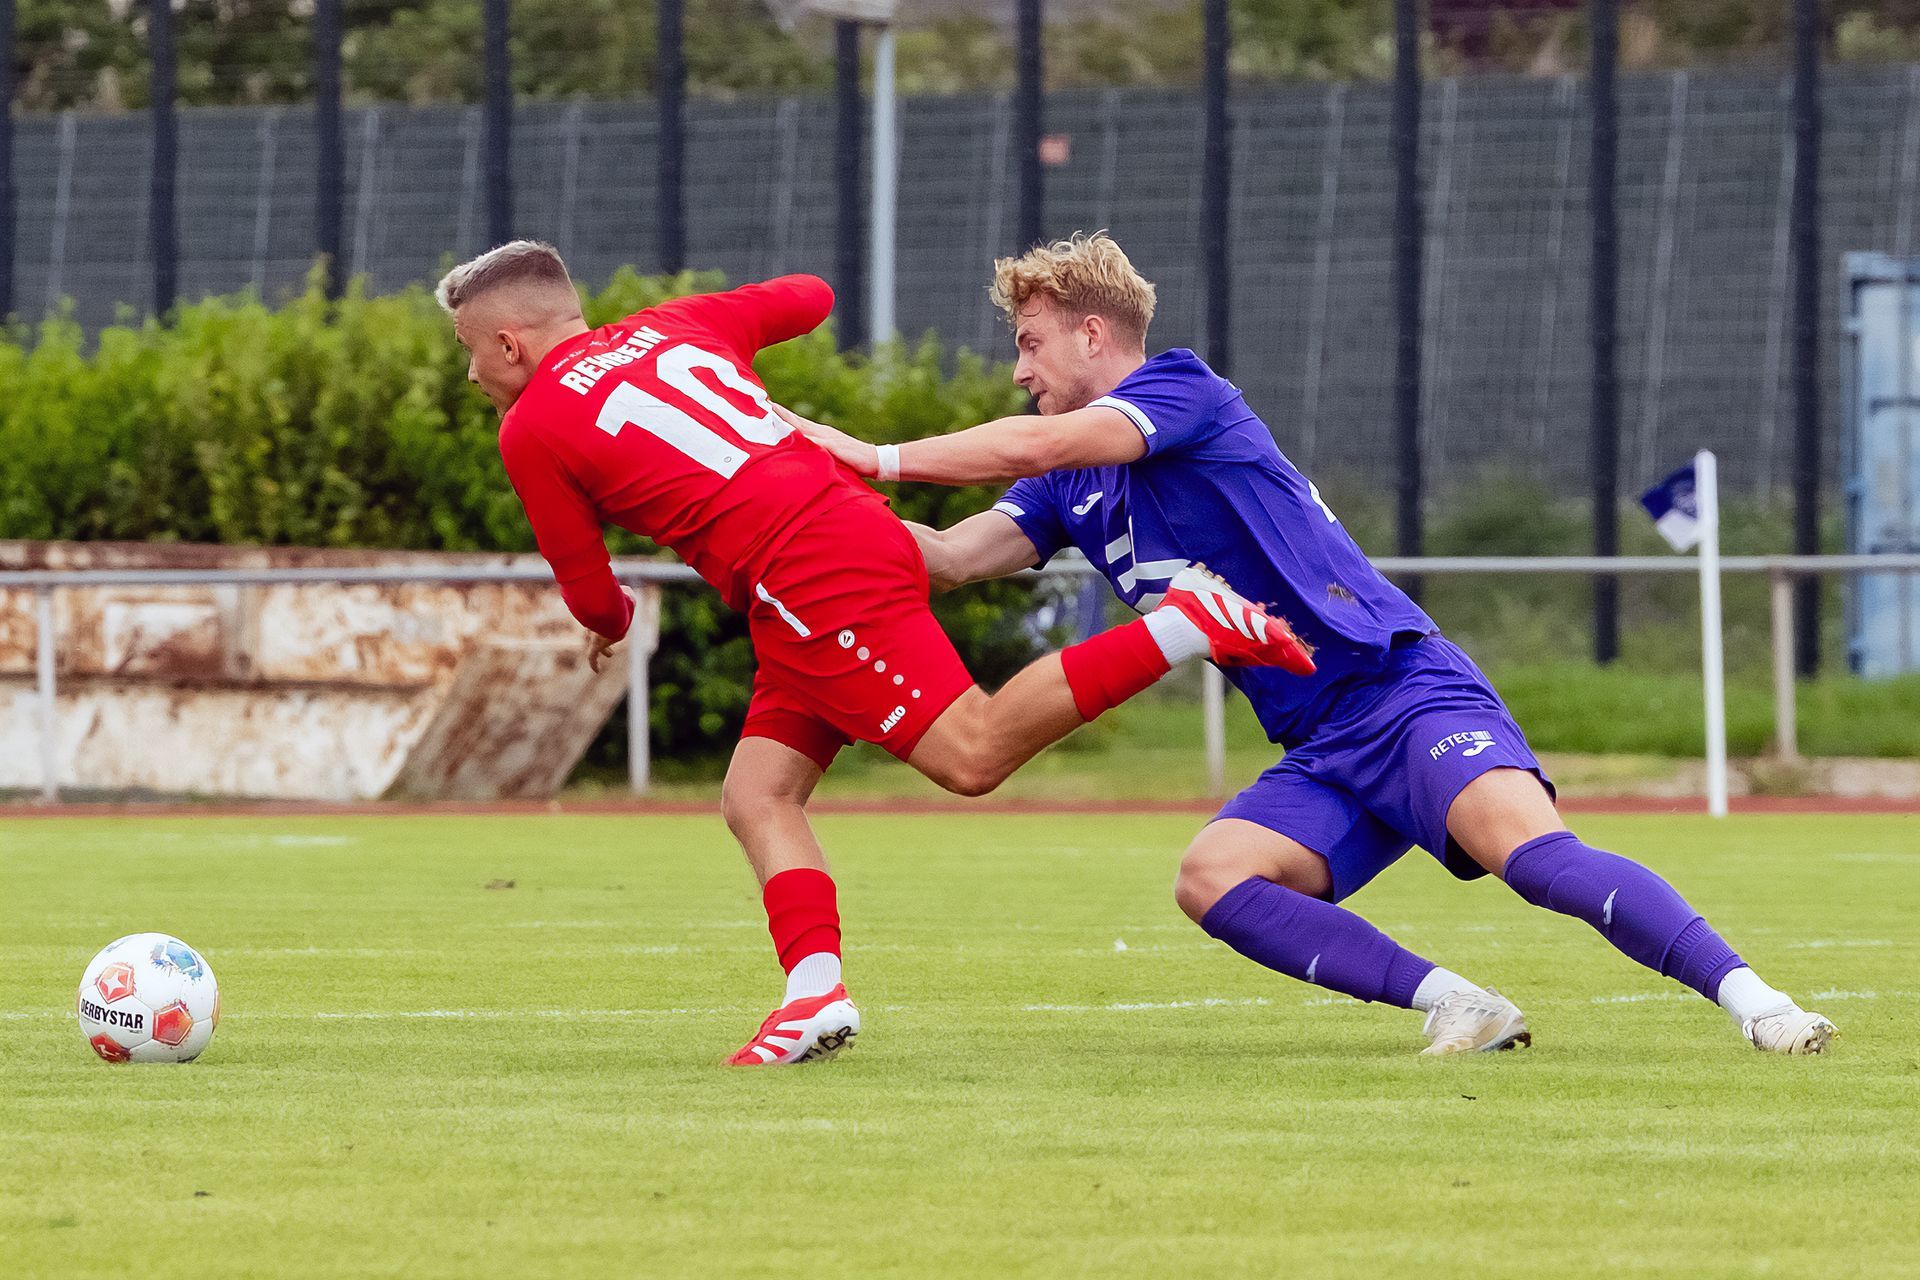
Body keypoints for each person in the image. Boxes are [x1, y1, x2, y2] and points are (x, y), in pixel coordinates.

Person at [780, 231, 1837, 1056]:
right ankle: (1461, 1003)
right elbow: (948, 557)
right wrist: (798, 488)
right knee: (1213, 876)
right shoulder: (1068, 487)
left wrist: (875, 453)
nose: (1019, 368)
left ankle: (1761, 1005)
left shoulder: (1181, 390)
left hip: (1402, 690)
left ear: (1093, 335)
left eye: (1030, 342)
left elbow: (1044, 438)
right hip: (1321, 742)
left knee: (1533, 860)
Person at [434, 240, 1315, 1066]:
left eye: (471, 352)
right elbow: (811, 297)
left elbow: (591, 595)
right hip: (831, 544)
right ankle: (812, 992)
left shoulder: (530, 426)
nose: (472, 373)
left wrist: (612, 615)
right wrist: (712, 335)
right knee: (757, 794)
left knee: (970, 754)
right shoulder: (674, 324)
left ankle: (1184, 623)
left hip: (807, 574)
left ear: (510, 344)